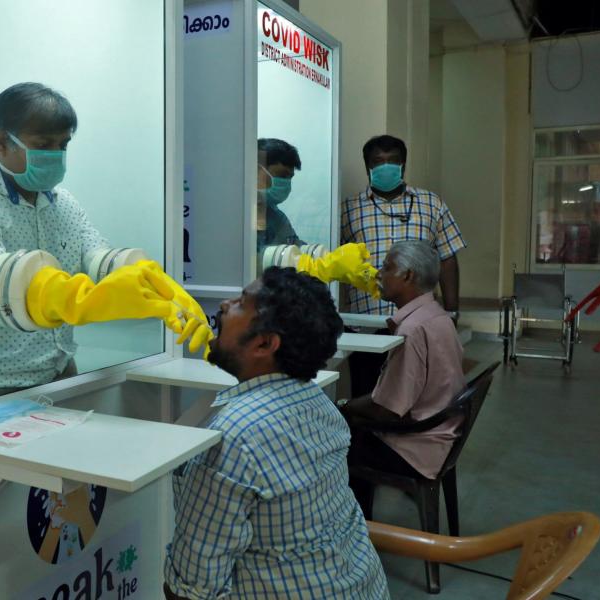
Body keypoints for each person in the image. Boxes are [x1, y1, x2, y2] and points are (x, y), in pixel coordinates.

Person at [0, 82, 210, 404]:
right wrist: (83, 301)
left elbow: (98, 257)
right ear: (1, 142)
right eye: (43, 144)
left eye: (63, 145)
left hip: (60, 372)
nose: (56, 155)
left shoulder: (62, 202)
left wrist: (145, 277)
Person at [164, 268, 390, 600]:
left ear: (265, 343)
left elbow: (192, 588)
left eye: (241, 303)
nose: (224, 305)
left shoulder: (234, 436)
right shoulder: (320, 404)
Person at [341, 241, 465, 509]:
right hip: (442, 434)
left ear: (408, 275)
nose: (378, 275)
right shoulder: (437, 315)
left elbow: (387, 409)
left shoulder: (412, 329)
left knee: (337, 440)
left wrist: (342, 406)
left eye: (387, 268)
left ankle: (356, 530)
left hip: (419, 445)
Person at [341, 134, 466, 396]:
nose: (385, 166)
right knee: (367, 394)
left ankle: (405, 438)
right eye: (378, 161)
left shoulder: (432, 204)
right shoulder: (348, 210)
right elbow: (338, 265)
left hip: (420, 324)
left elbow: (447, 258)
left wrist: (452, 313)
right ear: (368, 167)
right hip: (366, 323)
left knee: (418, 395)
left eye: (392, 161)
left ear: (403, 165)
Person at [257, 138, 305, 249]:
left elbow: (296, 249)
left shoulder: (276, 218)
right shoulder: (232, 215)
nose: (286, 183)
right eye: (282, 175)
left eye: (290, 178)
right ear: (255, 170)